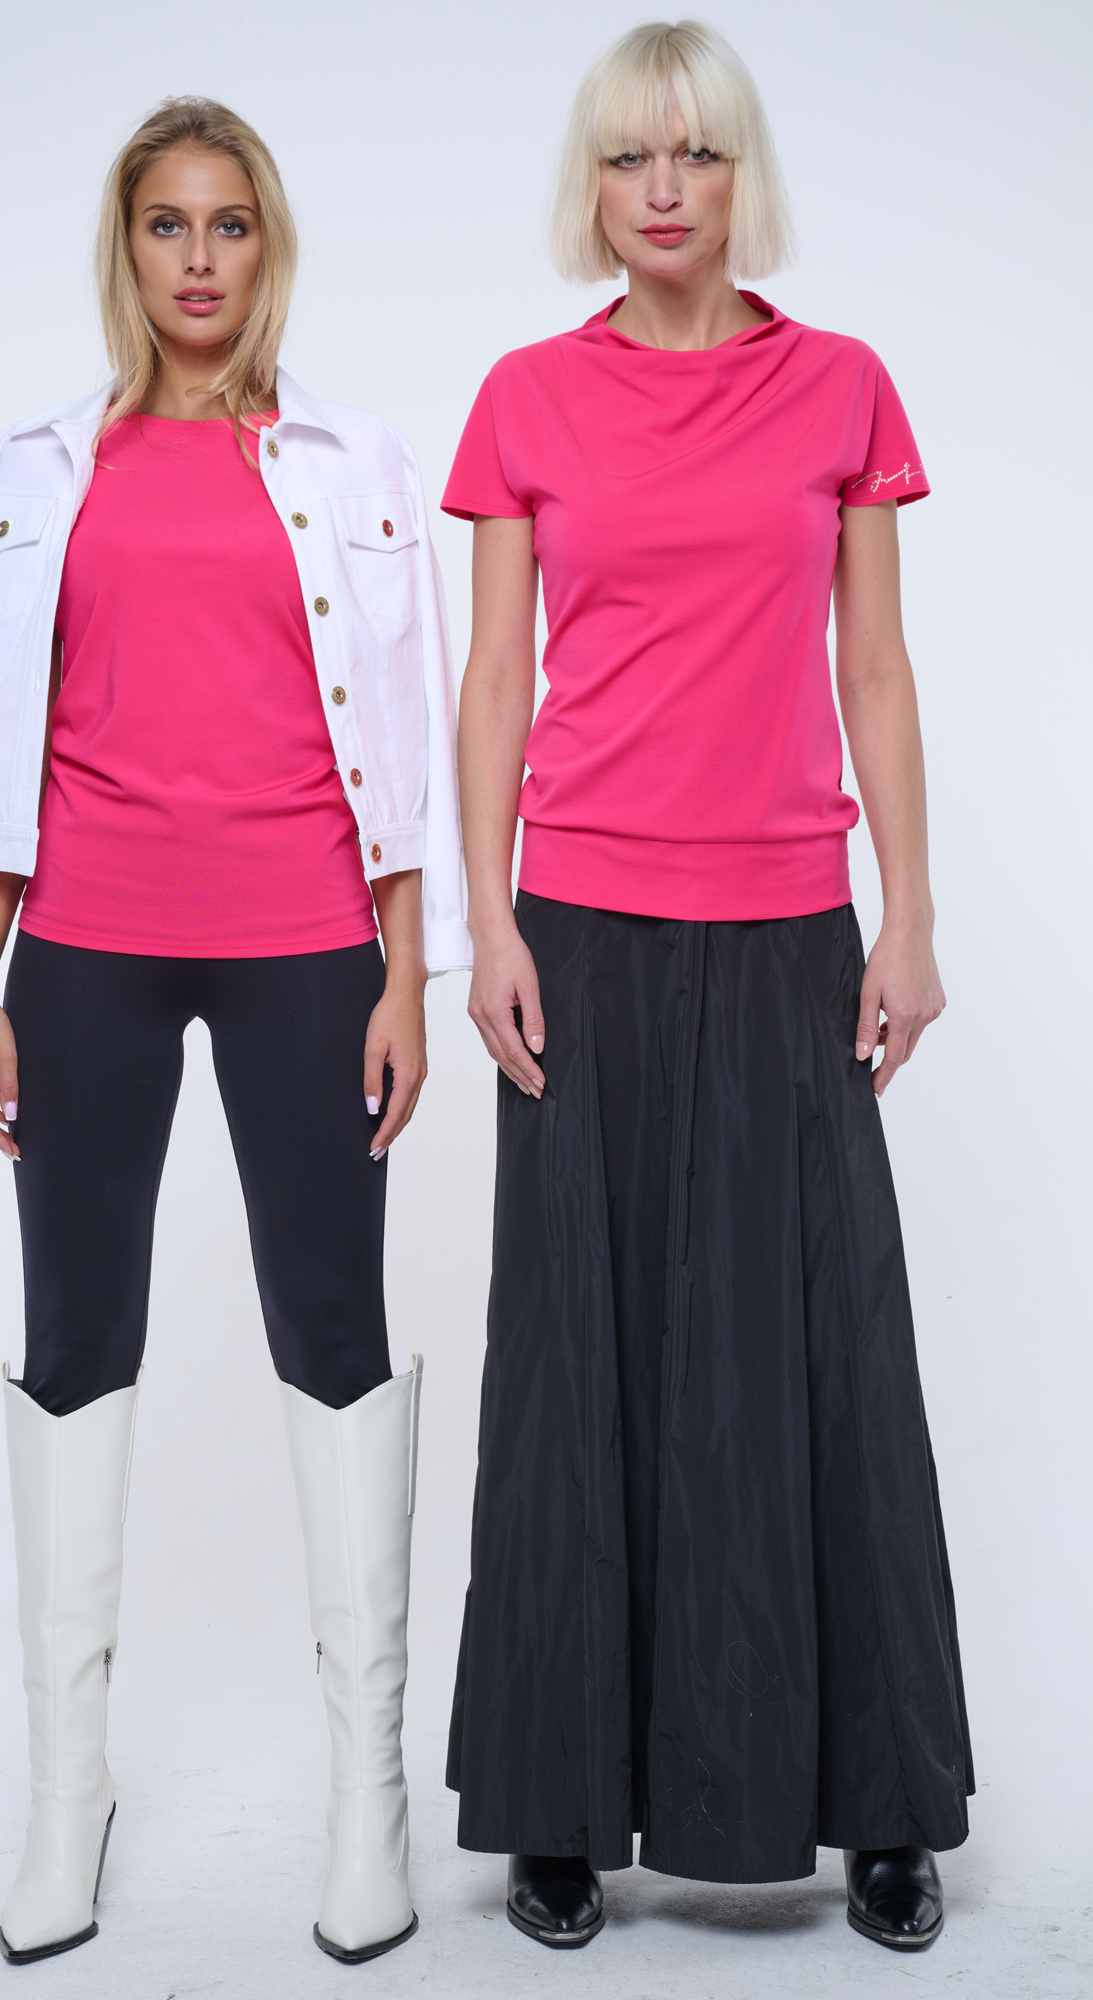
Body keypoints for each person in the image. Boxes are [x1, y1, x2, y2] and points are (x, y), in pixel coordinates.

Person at [0, 96, 469, 1968]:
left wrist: (408, 971)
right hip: (87, 949)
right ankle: (71, 1798)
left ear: (265, 245)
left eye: (227, 224)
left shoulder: (352, 462)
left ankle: (365, 1799)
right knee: (72, 1343)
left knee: (335, 1336)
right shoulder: (41, 468)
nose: (197, 259)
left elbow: (410, 735)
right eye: (164, 226)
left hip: (307, 945)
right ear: (124, 250)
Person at [444, 20, 971, 1956]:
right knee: (574, 1363)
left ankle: (880, 1806)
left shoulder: (839, 386)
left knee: (820, 1357)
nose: (660, 190)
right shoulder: (523, 399)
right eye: (625, 158)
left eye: (694, 154)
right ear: (589, 188)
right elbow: (496, 679)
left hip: (781, 930)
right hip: (578, 931)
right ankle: (558, 1805)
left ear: (742, 176)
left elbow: (874, 669)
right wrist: (486, 922)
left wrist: (906, 918)